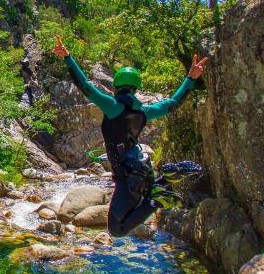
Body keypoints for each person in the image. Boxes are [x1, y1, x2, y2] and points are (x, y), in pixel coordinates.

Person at [51, 35, 208, 237]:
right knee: (143, 195)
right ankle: (165, 180)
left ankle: (157, 200)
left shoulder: (112, 106)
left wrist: (68, 57)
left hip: (127, 178)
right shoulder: (145, 111)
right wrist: (190, 78)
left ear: (115, 86)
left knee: (117, 229)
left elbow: (85, 86)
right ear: (135, 89)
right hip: (142, 169)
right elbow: (172, 103)